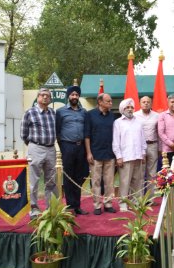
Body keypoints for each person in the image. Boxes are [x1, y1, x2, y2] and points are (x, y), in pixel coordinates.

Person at [21, 88, 58, 218]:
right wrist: (33, 145)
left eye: (48, 96)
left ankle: (51, 208)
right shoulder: (29, 113)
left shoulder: (53, 113)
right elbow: (23, 134)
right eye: (42, 95)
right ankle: (34, 208)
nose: (45, 97)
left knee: (51, 180)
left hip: (50, 149)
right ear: (38, 97)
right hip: (35, 148)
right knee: (34, 180)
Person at [55, 85, 88, 214]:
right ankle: (70, 207)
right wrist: (62, 146)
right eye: (72, 95)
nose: (74, 97)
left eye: (76, 95)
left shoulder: (83, 112)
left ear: (79, 96)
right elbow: (57, 131)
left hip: (81, 147)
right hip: (67, 146)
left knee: (79, 176)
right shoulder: (60, 111)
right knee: (68, 176)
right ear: (68, 96)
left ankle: (77, 205)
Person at [84, 92, 117, 215]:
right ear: (100, 102)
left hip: (110, 153)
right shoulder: (90, 115)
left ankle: (108, 204)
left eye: (110, 101)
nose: (110, 103)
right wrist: (88, 153)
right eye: (108, 101)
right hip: (95, 154)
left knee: (109, 182)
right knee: (96, 181)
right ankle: (97, 205)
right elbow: (86, 135)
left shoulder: (112, 116)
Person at [112, 98, 147, 212]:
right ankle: (123, 204)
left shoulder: (138, 121)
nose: (130, 109)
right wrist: (119, 156)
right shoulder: (118, 122)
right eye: (127, 107)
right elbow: (116, 141)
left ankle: (136, 202)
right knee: (125, 182)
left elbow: (142, 139)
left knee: (137, 181)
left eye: (131, 107)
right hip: (125, 157)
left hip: (138, 156)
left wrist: (143, 153)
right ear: (122, 109)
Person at [134, 95, 161, 197]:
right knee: (140, 173)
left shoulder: (157, 116)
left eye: (148, 102)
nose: (146, 103)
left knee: (152, 173)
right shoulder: (135, 115)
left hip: (153, 145)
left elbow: (159, 133)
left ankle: (150, 198)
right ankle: (139, 198)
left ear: (151, 103)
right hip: (140, 147)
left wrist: (160, 148)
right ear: (140, 103)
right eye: (143, 102)